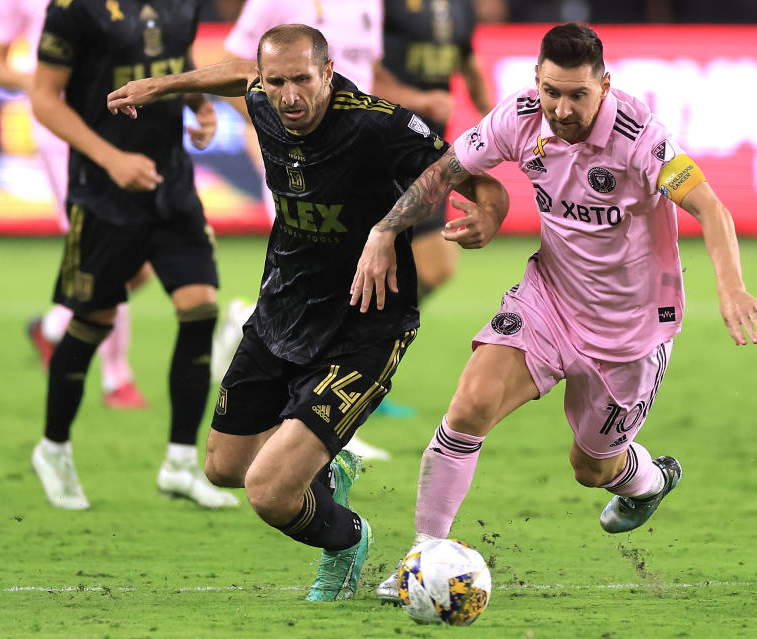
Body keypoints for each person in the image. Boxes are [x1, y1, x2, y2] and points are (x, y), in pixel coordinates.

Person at [347, 23, 757, 602]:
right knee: (469, 405)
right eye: (551, 92)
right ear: (536, 81)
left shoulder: (640, 137)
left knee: (592, 467)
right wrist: (384, 229)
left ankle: (649, 481)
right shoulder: (519, 117)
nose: (562, 108)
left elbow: (711, 208)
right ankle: (422, 561)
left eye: (577, 95)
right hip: (550, 299)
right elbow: (444, 171)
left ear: (604, 85)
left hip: (632, 330)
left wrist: (732, 287)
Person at [106, 23, 508, 600]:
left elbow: (475, 179)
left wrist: (486, 214)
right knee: (222, 468)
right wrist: (164, 86)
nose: (289, 96)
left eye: (301, 80)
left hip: (364, 325)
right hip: (282, 310)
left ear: (327, 72)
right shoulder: (265, 98)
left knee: (269, 492)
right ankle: (327, 472)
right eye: (277, 82)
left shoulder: (377, 123)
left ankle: (346, 542)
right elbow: (238, 72)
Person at [28, 0, 239, 511]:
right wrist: (111, 158)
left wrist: (201, 106)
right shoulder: (73, 10)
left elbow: (180, 68)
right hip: (103, 194)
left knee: (200, 307)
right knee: (92, 320)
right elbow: (43, 98)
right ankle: (53, 448)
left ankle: (181, 462)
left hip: (171, 184)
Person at [214, 0, 440, 444]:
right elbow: (242, 66)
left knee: (428, 268)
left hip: (359, 150)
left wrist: (410, 102)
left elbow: (368, 72)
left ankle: (329, 399)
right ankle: (321, 415)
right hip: (300, 157)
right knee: (324, 269)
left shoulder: (369, 5)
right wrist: (279, 123)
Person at [0, 0, 148, 409]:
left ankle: (55, 324)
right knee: (109, 247)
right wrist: (36, 83)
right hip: (61, 133)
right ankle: (117, 379)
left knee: (140, 265)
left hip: (118, 122)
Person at [374, 0, 492, 302]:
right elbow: (360, 76)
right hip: (383, 149)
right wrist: (420, 100)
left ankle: (368, 330)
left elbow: (468, 61)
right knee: (374, 261)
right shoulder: (381, 6)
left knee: (436, 267)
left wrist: (496, 119)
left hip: (427, 155)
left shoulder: (460, 7)